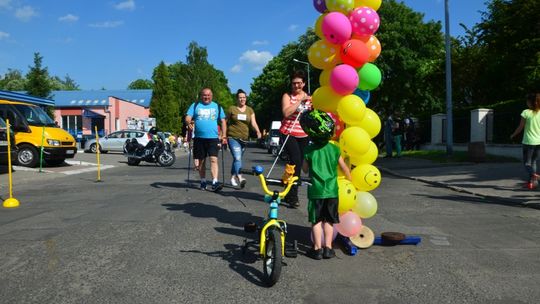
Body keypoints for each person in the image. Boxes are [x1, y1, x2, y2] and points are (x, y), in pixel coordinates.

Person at [300, 109, 352, 260]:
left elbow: (304, 170)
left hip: (316, 191)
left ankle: (317, 249)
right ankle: (328, 248)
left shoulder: (309, 150)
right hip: (331, 191)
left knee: (316, 221)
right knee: (329, 221)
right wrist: (349, 181)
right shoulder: (334, 149)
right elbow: (344, 168)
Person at [279, 70, 312, 207]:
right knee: (296, 161)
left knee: (297, 164)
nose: (296, 86)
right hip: (288, 132)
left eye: (299, 83)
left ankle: (287, 188)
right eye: (294, 83)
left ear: (304, 83)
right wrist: (299, 103)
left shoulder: (310, 98)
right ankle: (293, 196)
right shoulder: (287, 96)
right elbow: (286, 112)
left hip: (303, 134)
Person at [185, 88, 227, 191]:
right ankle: (203, 181)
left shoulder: (217, 106)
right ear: (201, 96)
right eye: (204, 95)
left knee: (214, 159)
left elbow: (223, 121)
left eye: (208, 95)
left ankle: (215, 182)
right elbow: (187, 117)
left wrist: (224, 135)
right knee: (201, 161)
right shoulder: (195, 105)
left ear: (211, 96)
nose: (206, 97)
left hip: (213, 138)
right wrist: (188, 122)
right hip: (199, 138)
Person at [226, 89, 262, 188]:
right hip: (233, 137)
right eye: (240, 97)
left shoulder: (250, 110)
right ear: (237, 99)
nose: (242, 99)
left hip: (244, 139)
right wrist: (223, 135)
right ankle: (240, 177)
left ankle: (233, 177)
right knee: (237, 158)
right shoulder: (232, 109)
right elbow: (225, 121)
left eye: (244, 97)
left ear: (246, 98)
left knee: (237, 159)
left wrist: (258, 131)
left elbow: (253, 123)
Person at [510, 93, 540, 189]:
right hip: (539, 142)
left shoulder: (526, 112)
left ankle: (534, 175)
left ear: (530, 102)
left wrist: (513, 135)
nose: (526, 102)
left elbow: (520, 127)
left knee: (527, 163)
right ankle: (531, 184)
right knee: (534, 162)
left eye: (527, 100)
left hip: (528, 142)